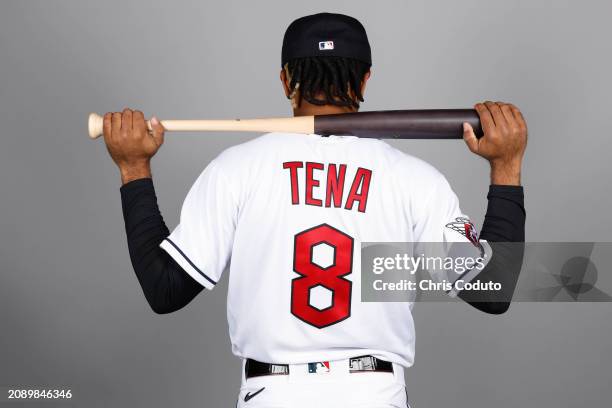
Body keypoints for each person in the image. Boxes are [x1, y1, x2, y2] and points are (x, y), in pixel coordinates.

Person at [102, 12, 527, 408]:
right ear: (364, 80)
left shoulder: (235, 169)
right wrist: (506, 167)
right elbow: (492, 292)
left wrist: (134, 168)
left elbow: (165, 289)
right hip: (374, 392)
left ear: (287, 80)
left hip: (272, 392)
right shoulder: (415, 179)